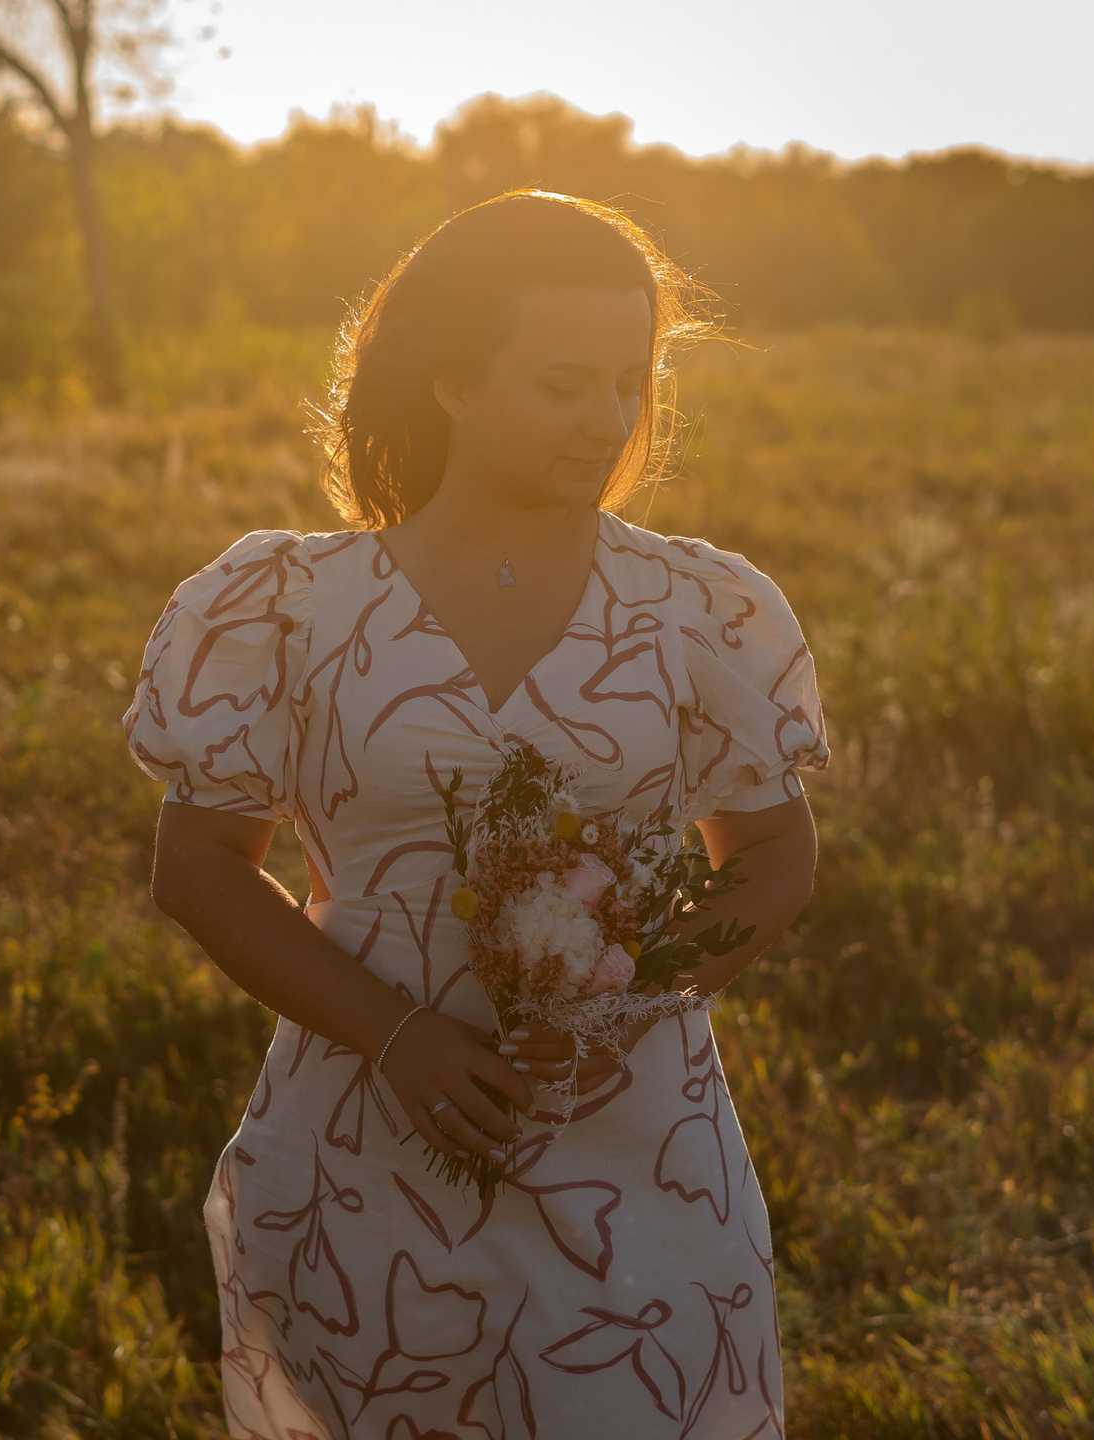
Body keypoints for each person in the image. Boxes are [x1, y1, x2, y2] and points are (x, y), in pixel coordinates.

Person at [124, 190, 829, 1439]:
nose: (609, 420)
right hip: (363, 1153)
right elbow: (199, 869)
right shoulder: (288, 606)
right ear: (451, 379)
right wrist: (398, 1038)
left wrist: (640, 999)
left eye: (630, 379)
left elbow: (771, 854)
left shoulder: (698, 608)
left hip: (637, 1144)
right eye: (563, 382)